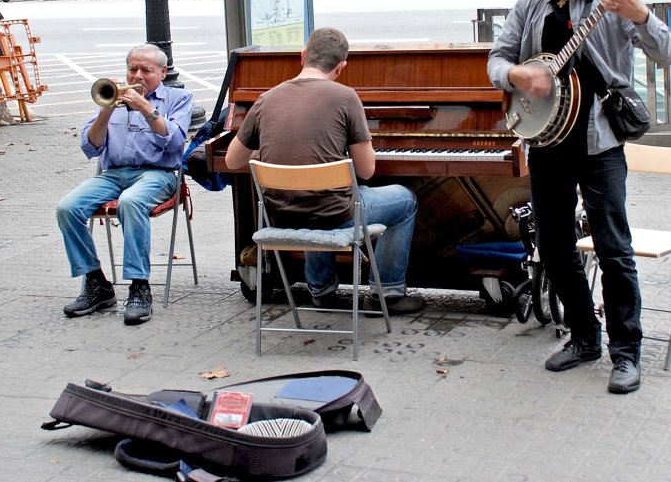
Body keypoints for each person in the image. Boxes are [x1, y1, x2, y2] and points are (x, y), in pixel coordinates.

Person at [487, 0, 671, 394]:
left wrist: (640, 16)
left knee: (613, 249)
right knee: (552, 247)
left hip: (599, 142)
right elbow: (496, 60)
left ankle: (626, 353)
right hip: (546, 142)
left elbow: (667, 54)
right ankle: (584, 336)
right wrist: (517, 76)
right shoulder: (531, 4)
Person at [223, 28, 425, 315]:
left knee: (312, 197)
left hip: (280, 216)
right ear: (341, 67)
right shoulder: (346, 97)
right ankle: (387, 293)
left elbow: (232, 161)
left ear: (303, 56)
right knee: (404, 201)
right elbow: (367, 170)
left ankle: (321, 289)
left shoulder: (266, 98)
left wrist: (271, 146)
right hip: (336, 216)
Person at [55, 45, 195, 325]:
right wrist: (105, 112)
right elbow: (91, 147)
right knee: (67, 208)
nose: (138, 75)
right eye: (133, 69)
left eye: (146, 70)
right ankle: (96, 282)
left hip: (158, 173)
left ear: (163, 72)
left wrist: (145, 108)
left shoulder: (179, 98)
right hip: (114, 173)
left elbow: (175, 142)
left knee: (131, 202)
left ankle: (139, 286)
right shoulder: (113, 96)